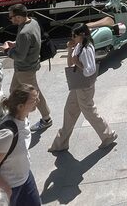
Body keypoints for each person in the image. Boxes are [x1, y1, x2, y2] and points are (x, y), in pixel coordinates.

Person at [48, 24, 117, 153]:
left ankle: (108, 135)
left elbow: (90, 71)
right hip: (78, 85)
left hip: (84, 86)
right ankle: (61, 142)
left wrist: (77, 62)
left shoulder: (86, 49)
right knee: (69, 110)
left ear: (82, 35)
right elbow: (70, 64)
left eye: (75, 35)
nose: (73, 37)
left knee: (89, 112)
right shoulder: (79, 46)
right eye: (72, 35)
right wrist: (70, 51)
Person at [0, 84, 40, 206]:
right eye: (34, 100)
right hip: (11, 188)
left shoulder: (24, 118)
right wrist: (6, 189)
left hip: (26, 179)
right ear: (20, 106)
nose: (38, 101)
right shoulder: (7, 135)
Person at [0, 4, 52, 133]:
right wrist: (16, 44)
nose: (10, 19)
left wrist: (6, 50)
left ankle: (45, 119)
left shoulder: (24, 32)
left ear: (18, 17)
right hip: (27, 66)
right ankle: (18, 117)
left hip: (25, 68)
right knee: (14, 90)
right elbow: (29, 42)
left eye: (11, 17)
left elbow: (20, 56)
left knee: (33, 95)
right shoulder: (33, 22)